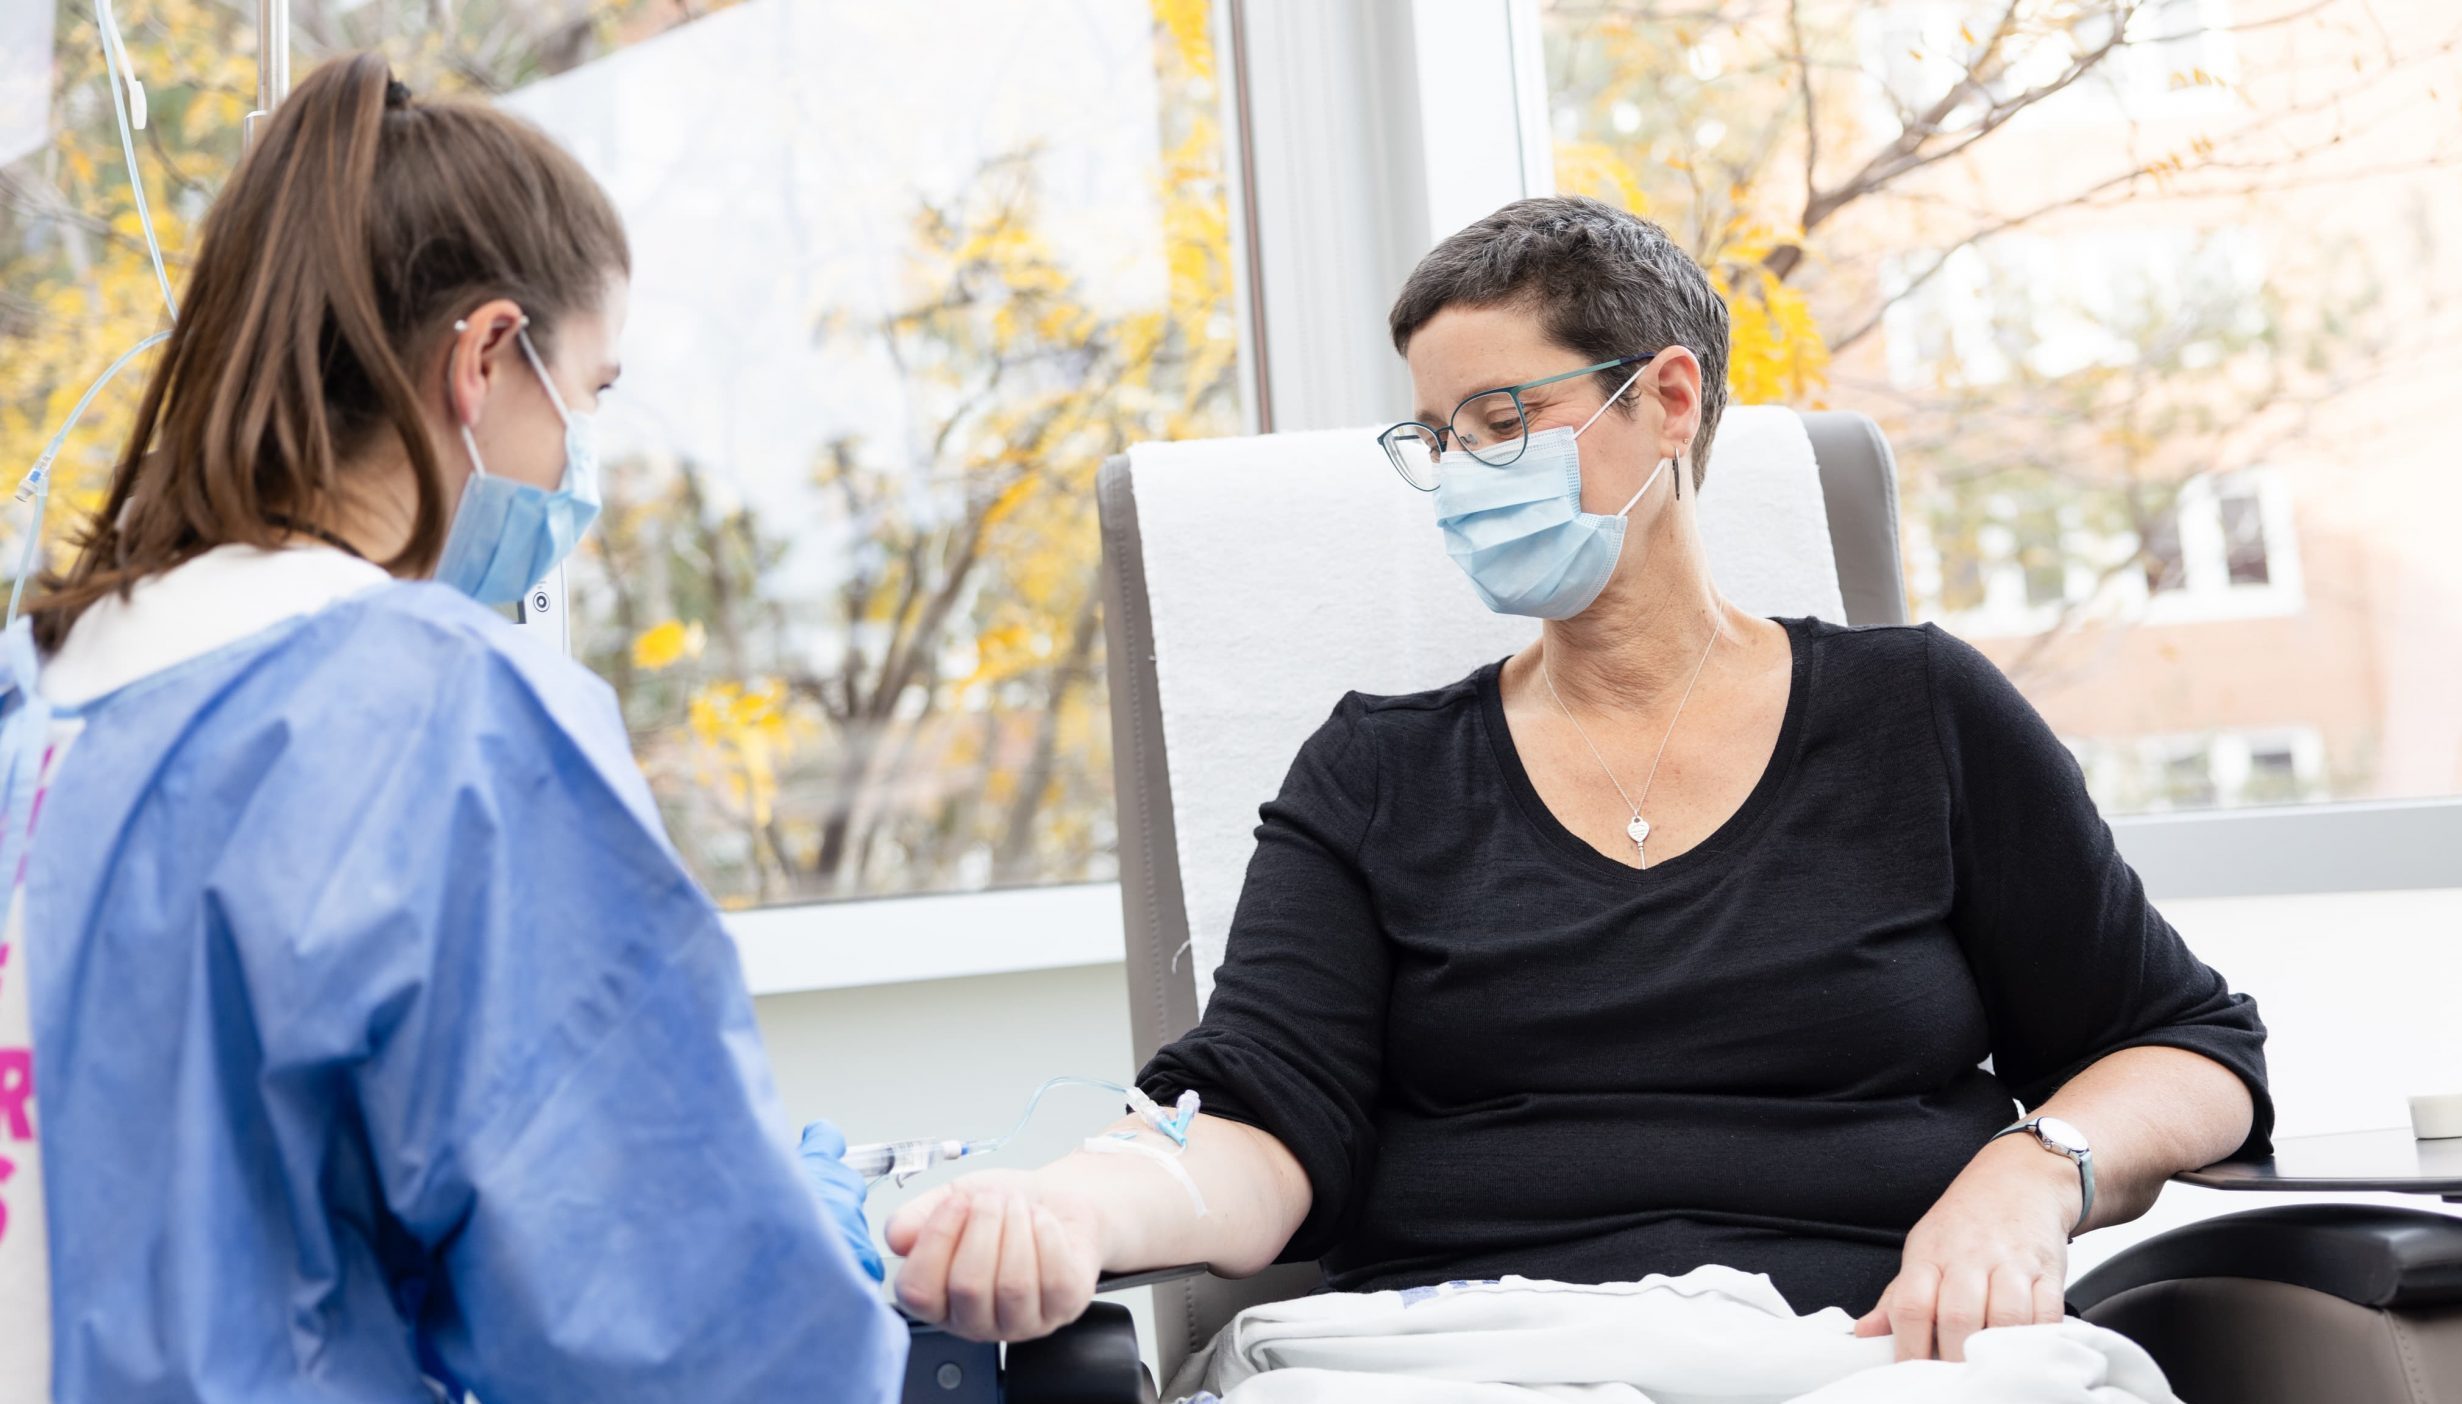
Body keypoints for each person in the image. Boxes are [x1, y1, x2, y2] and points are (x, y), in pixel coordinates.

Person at [885, 196, 2276, 1368]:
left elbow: (2189, 1047)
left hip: (1871, 1354)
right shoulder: (1378, 775)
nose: (1462, 471)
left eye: (1503, 418)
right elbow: (1260, 1120)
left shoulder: (1915, 713)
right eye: (1438, 436)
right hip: (1483, 1358)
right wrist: (1073, 1207)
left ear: (1668, 399)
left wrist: (2034, 1174)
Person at [0, 54, 902, 1402]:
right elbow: (684, 1329)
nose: (580, 467)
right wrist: (814, 1248)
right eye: (589, 395)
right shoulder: (434, 717)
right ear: (483, 354)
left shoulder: (39, 688)